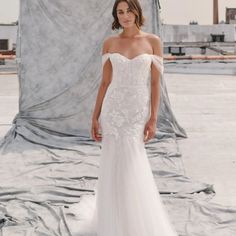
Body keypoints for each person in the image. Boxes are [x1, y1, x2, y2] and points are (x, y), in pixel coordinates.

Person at [90, 0, 179, 235]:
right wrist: (95, 116)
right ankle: (112, 221)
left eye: (129, 10)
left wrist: (153, 118)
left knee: (133, 160)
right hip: (113, 110)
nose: (125, 16)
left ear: (138, 12)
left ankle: (136, 221)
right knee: (112, 160)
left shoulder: (153, 42)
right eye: (120, 12)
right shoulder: (110, 42)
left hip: (136, 111)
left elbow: (155, 82)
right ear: (115, 16)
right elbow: (106, 82)